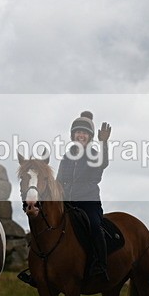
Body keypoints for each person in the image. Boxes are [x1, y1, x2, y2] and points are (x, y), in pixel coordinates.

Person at [56, 111, 112, 282]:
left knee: (95, 226)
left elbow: (103, 162)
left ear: (90, 137)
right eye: (78, 132)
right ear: (73, 135)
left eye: (85, 133)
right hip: (67, 203)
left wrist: (103, 143)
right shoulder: (66, 157)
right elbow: (59, 181)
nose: (81, 135)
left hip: (88, 203)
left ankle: (101, 265)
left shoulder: (94, 154)